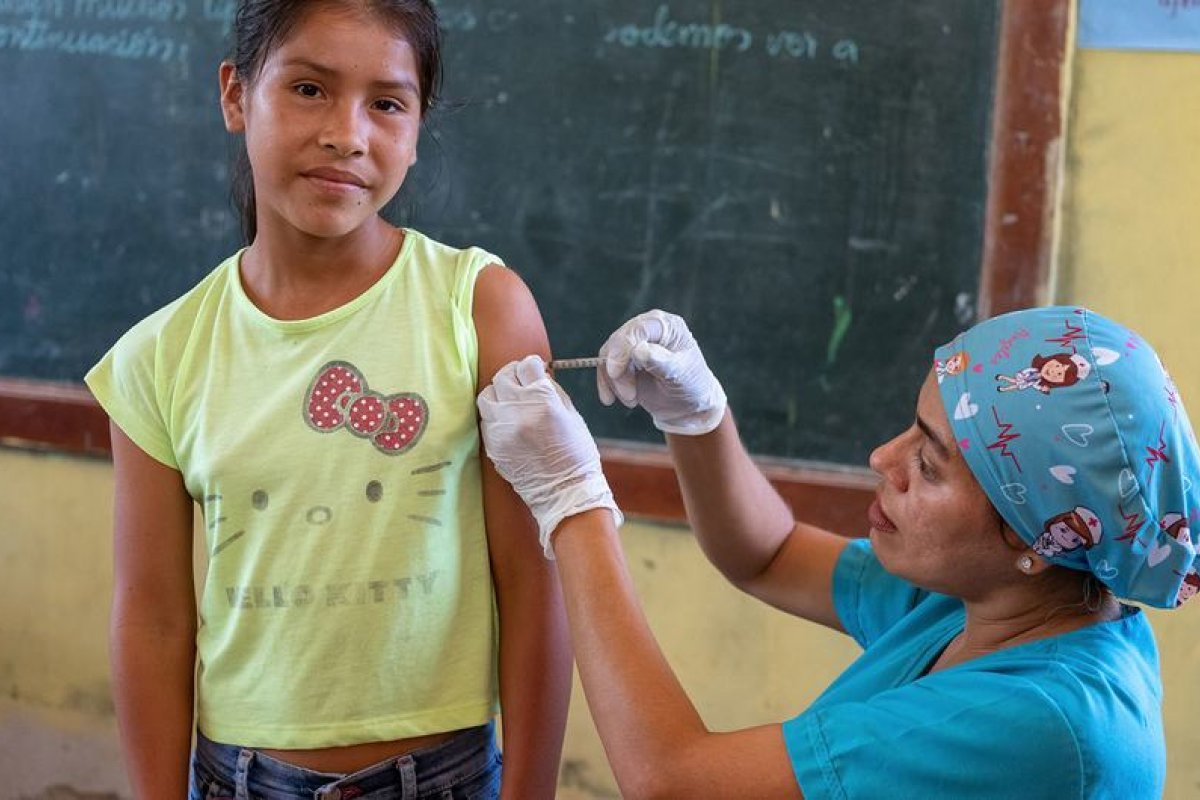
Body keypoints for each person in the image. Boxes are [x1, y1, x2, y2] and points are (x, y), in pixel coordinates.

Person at [84, 2, 572, 797]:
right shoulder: (158, 357)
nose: (348, 133)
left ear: (416, 129)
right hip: (240, 777)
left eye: (386, 103)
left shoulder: (481, 308)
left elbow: (533, 580)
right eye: (309, 89)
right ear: (237, 95)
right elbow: (153, 621)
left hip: (446, 775)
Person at [477, 306, 1199, 799]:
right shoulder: (993, 601)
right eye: (911, 431)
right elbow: (768, 553)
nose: (884, 456)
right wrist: (697, 416)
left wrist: (573, 504)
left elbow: (670, 780)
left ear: (1034, 537)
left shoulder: (1049, 721)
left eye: (931, 464)